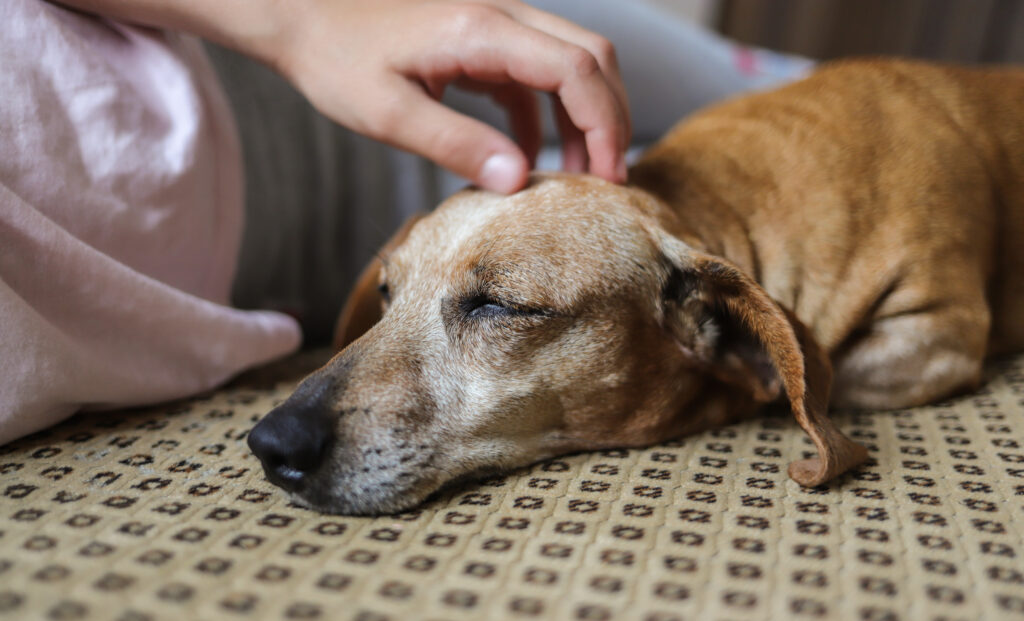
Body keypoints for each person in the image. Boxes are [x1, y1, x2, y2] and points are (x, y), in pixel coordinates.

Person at [0, 0, 812, 445]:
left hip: (275, 37)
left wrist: (303, 23)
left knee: (786, 90)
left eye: (493, 307)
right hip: (293, 259)